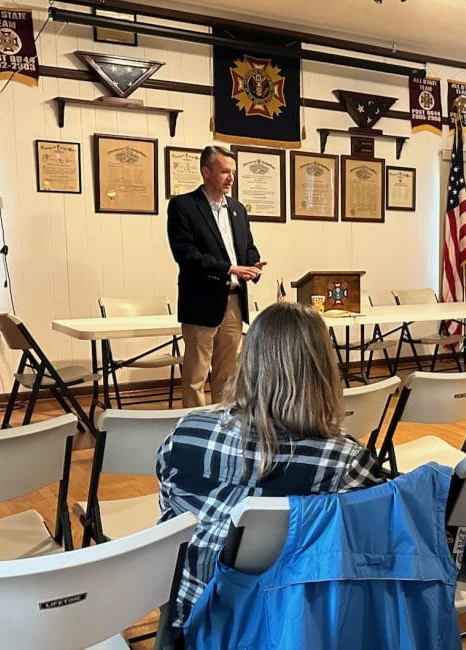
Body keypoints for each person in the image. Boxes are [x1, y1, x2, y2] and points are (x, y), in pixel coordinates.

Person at [157, 302, 383, 626]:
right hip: (289, 626)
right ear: (322, 368)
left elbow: (169, 514)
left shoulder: (186, 432)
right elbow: (365, 553)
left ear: (247, 361)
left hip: (189, 622)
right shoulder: (345, 462)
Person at [167, 145, 266, 407]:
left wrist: (252, 264)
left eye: (232, 172)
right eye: (224, 172)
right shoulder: (184, 206)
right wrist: (230, 268)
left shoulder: (238, 208)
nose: (231, 178)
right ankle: (194, 428)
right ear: (206, 171)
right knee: (196, 375)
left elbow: (246, 246)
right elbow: (185, 254)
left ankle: (223, 425)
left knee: (228, 373)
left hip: (233, 300)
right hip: (201, 300)